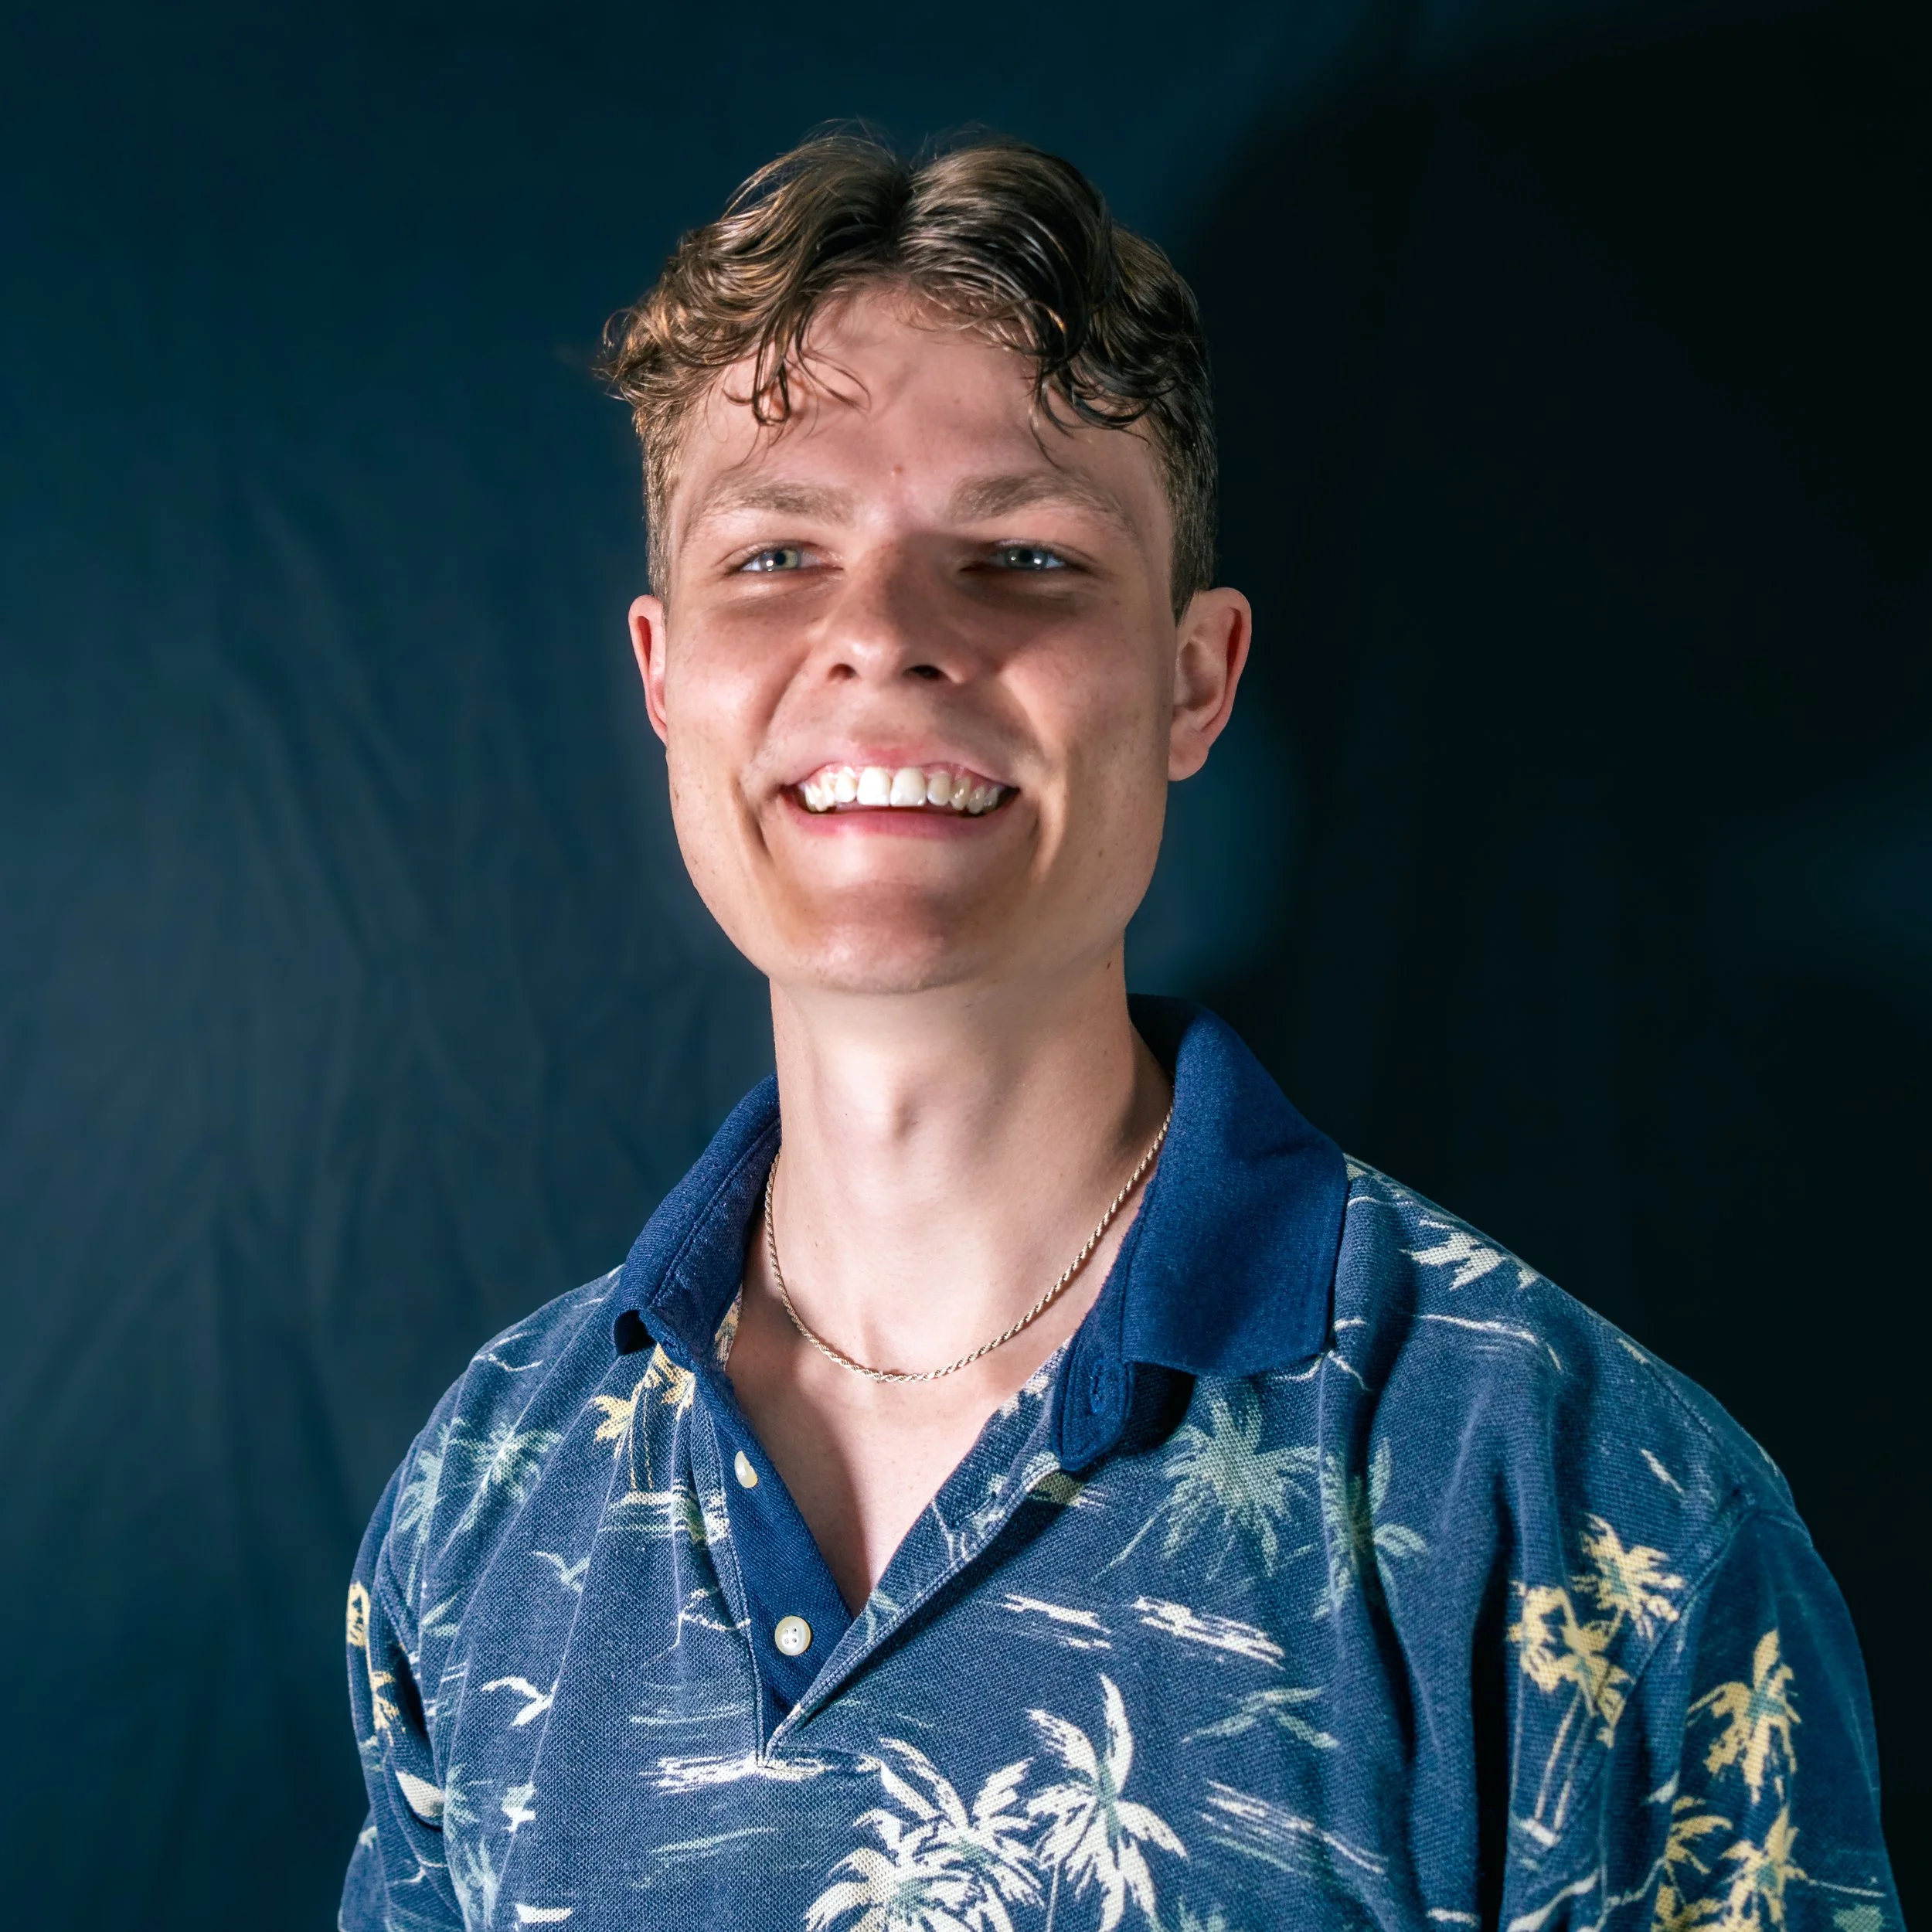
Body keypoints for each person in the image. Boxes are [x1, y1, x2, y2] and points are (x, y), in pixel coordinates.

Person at [341, 133, 1899, 1932]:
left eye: (1019, 554)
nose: (881, 636)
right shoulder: (485, 1501)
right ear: (663, 675)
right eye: (774, 553)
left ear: (1192, 676)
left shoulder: (1584, 1510)